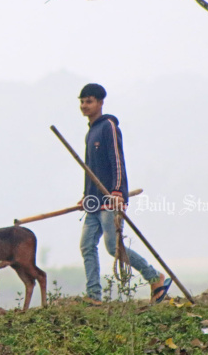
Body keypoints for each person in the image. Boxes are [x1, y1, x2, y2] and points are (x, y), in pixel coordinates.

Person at [76, 83, 171, 305]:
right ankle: (94, 295)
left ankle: (154, 277)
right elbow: (90, 170)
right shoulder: (90, 132)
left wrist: (118, 191)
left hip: (111, 200)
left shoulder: (108, 126)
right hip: (94, 202)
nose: (84, 106)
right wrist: (85, 196)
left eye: (89, 101)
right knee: (87, 245)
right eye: (82, 102)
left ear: (100, 103)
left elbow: (117, 161)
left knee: (113, 248)